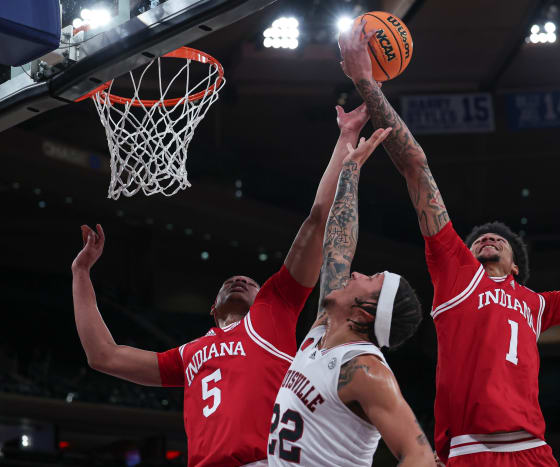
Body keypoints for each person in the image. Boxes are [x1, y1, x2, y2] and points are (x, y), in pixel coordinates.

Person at [339, 20, 560, 466]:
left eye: (498, 240)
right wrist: (367, 83)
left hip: (534, 452)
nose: (487, 237)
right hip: (469, 450)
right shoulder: (457, 272)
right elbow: (416, 166)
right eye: (481, 237)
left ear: (515, 265)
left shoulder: (536, 305)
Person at [71, 103, 374, 467]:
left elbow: (317, 220)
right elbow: (103, 355)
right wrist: (81, 274)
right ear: (212, 309)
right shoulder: (187, 354)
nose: (240, 279)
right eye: (230, 281)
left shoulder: (273, 310)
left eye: (250, 282)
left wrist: (346, 137)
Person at [267, 127, 434, 466]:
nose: (355, 273)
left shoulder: (365, 370)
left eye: (369, 279)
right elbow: (337, 246)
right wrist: (351, 170)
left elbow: (419, 454)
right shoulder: (322, 330)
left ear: (366, 313)